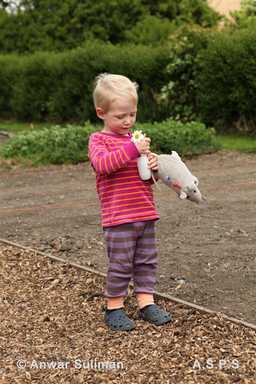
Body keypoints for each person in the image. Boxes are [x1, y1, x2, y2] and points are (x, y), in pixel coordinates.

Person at [88, 73, 172, 331]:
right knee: (121, 264)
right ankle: (114, 307)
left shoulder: (132, 142)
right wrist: (133, 150)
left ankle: (146, 303)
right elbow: (104, 166)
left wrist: (154, 167)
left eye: (132, 114)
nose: (128, 121)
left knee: (146, 260)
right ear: (101, 112)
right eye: (120, 116)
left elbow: (145, 179)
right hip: (119, 218)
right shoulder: (99, 141)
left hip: (145, 212)